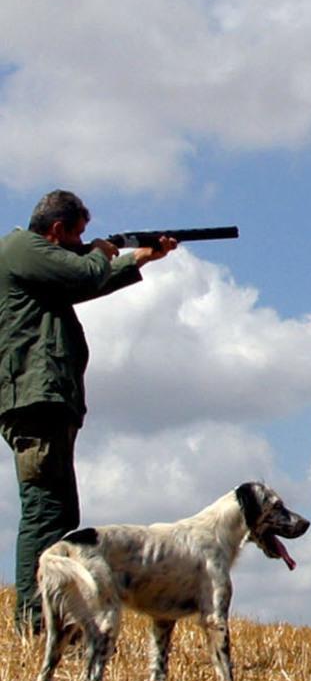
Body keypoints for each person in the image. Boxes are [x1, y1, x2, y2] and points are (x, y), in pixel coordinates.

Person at [0, 190, 176, 633]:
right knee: (45, 509)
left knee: (60, 513)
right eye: (77, 234)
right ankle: (35, 617)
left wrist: (140, 258)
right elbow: (84, 273)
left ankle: (53, 614)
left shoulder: (35, 264)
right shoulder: (20, 248)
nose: (83, 242)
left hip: (44, 398)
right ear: (57, 229)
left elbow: (84, 281)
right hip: (34, 399)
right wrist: (104, 252)